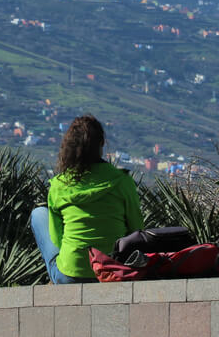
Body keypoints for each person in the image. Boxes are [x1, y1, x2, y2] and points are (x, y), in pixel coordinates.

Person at [30, 114, 144, 283]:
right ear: (101, 144)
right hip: (113, 271)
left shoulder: (58, 185)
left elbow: (56, 238)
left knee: (39, 214)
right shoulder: (121, 181)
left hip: (71, 274)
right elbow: (136, 230)